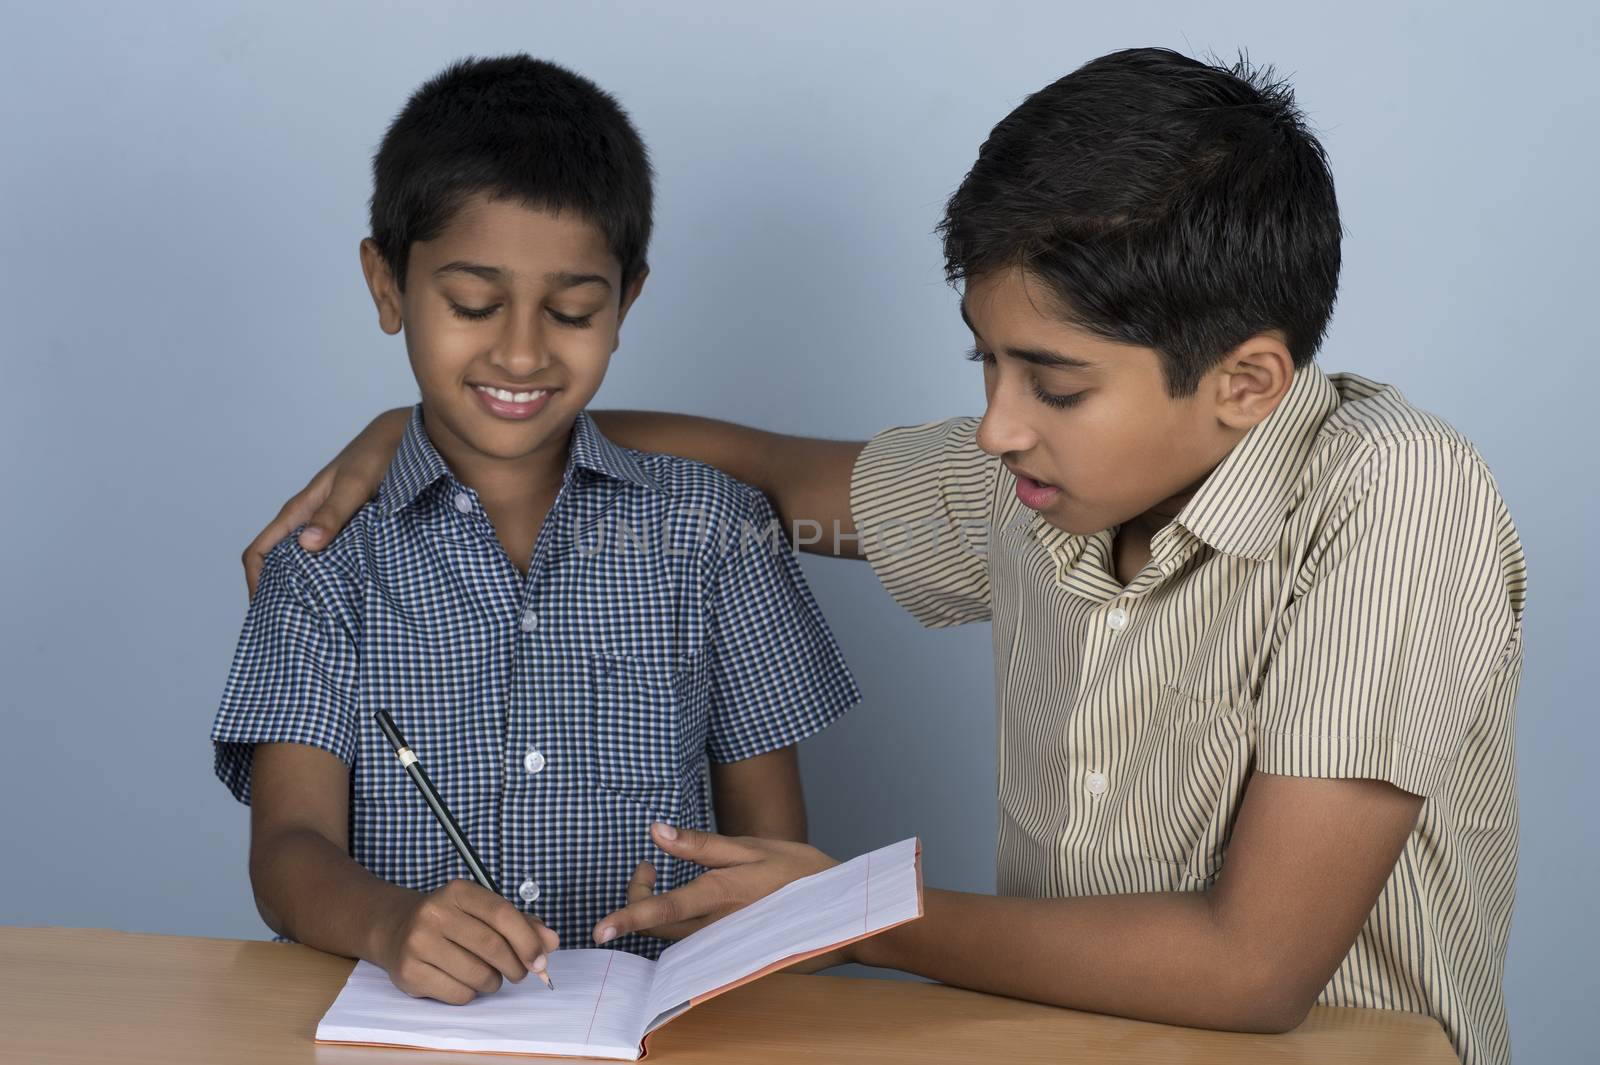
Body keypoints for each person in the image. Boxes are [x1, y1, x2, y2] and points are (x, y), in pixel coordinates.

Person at [244, 48, 1524, 1065]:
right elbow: (779, 475)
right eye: (987, 359)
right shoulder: (1036, 483)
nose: (994, 423)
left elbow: (1254, 971)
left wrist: (846, 913)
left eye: (1054, 381)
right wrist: (444, 429)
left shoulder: (1394, 496)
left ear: (1246, 381)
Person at [212, 55, 858, 1007]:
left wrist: (734, 918)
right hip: (410, 1031)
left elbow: (768, 854)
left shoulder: (715, 533)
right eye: (473, 305)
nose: (520, 350)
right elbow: (287, 853)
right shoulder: (323, 556)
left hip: (665, 1027)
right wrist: (391, 923)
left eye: (572, 311)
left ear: (626, 301)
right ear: (386, 285)